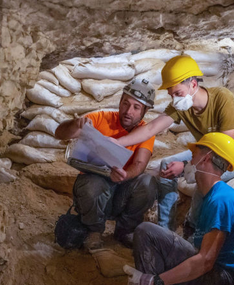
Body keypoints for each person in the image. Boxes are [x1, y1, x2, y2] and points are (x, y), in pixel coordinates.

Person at [0, 133, 234, 285]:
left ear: (208, 158)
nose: (192, 156)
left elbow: (205, 261)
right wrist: (153, 284)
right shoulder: (207, 198)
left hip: (219, 284)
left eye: (197, 152)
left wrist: (157, 280)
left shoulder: (222, 198)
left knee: (147, 231)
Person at [115, 54, 234, 232]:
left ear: (193, 85)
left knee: (202, 175)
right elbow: (151, 129)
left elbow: (224, 149)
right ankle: (165, 229)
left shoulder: (223, 99)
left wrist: (186, 166)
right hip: (205, 153)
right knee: (166, 165)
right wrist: (118, 142)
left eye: (178, 93)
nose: (174, 99)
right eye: (171, 95)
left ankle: (191, 228)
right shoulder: (181, 105)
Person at [55, 78, 158, 250]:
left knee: (147, 182)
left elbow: (140, 163)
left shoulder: (145, 131)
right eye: (125, 103)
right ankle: (94, 231)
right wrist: (74, 124)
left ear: (145, 111)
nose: (128, 111)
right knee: (92, 184)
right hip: (94, 189)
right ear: (119, 101)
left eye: (136, 107)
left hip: (120, 191)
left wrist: (126, 175)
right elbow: (60, 134)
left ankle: (125, 231)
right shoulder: (100, 118)